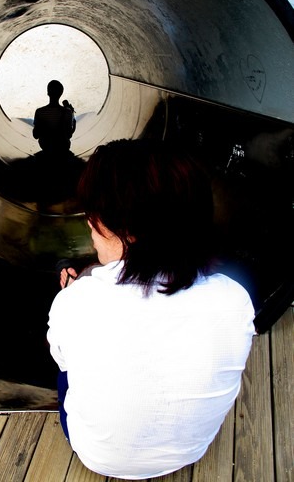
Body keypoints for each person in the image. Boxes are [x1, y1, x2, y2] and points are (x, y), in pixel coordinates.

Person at [47, 137, 256, 480]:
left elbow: (64, 362)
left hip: (97, 456)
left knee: (68, 368)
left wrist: (78, 292)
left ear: (129, 232)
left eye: (96, 221)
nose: (90, 228)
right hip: (191, 450)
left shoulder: (75, 304)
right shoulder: (235, 299)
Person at [32, 80, 76, 155]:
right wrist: (73, 119)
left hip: (46, 148)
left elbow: (35, 135)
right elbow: (69, 135)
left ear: (48, 93)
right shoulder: (67, 112)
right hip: (63, 149)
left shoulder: (39, 112)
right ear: (61, 94)